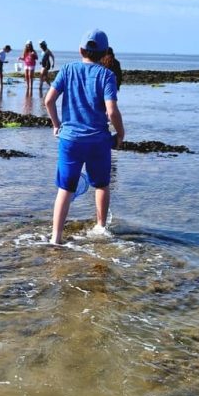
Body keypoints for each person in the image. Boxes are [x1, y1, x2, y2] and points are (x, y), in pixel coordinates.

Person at [44, 29, 125, 246]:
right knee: (101, 185)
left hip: (70, 140)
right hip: (98, 141)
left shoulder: (68, 69)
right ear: (105, 52)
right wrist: (121, 134)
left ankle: (56, 238)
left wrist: (56, 124)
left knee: (65, 189)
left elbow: (48, 101)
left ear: (80, 50)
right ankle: (100, 228)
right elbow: (112, 112)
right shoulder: (107, 76)